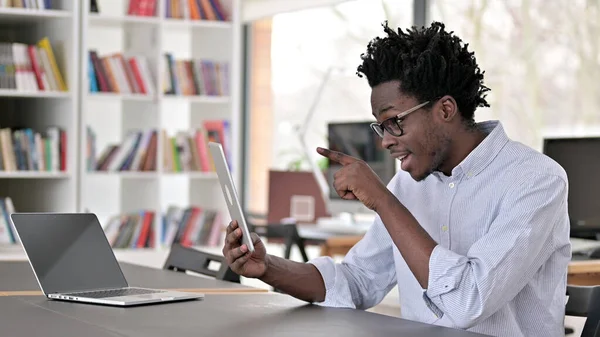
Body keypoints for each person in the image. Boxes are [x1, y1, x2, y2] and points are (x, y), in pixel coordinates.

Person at [222, 21, 570, 337]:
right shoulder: (409, 183)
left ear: (445, 110)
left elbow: (468, 301)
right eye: (380, 126)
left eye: (394, 122)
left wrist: (384, 201)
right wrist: (268, 267)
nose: (386, 140)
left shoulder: (536, 180)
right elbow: (357, 282)